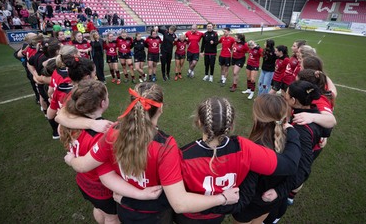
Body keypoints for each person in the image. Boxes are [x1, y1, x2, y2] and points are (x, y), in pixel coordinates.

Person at [57, 83, 240, 223]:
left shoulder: (112, 133)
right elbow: (179, 203)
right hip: (154, 215)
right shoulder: (165, 146)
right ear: (161, 108)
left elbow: (88, 167)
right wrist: (223, 198)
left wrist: (71, 159)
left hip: (125, 208)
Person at [176, 96, 302, 223]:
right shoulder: (244, 148)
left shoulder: (181, 155)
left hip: (189, 216)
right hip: (216, 217)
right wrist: (292, 132)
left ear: (199, 122)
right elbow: (290, 164)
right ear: (231, 125)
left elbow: (174, 198)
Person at [59, 79, 161, 224]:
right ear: (103, 103)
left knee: (100, 210)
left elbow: (60, 119)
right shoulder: (103, 135)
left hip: (83, 181)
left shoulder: (69, 123)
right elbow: (106, 174)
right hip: (100, 189)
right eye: (107, 97)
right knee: (112, 218)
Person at [259, 81, 332, 222]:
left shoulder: (301, 129)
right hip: (291, 162)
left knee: (275, 204)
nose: (284, 96)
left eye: (286, 95)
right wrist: (322, 136)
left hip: (286, 175)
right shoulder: (313, 112)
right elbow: (327, 129)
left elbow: (303, 168)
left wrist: (278, 191)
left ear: (294, 100)